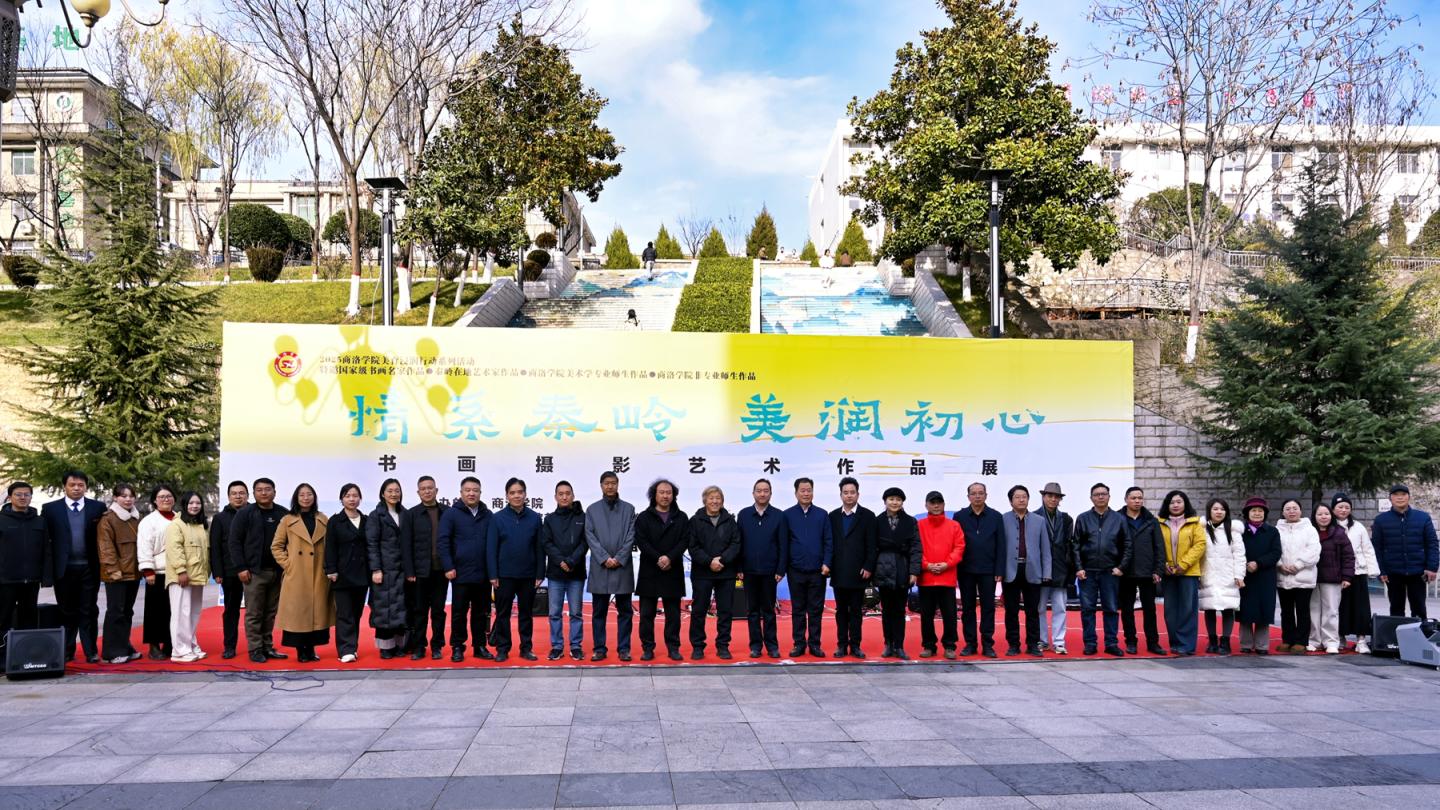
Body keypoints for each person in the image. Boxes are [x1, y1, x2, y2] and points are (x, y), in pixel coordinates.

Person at [42, 471, 104, 664]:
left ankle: (91, 651)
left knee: (88, 610)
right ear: (65, 487)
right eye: (72, 485)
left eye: (80, 485)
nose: (76, 488)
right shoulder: (50, 509)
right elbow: (46, 542)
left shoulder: (97, 507)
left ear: (86, 487)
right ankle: (68, 650)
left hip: (89, 568)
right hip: (63, 569)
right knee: (66, 611)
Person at [229, 477, 289, 663]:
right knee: (254, 613)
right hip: (254, 572)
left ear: (274, 492)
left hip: (277, 572)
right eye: (259, 490)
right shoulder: (245, 513)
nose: (264, 493)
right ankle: (255, 649)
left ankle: (267, 646)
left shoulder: (283, 514)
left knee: (270, 613)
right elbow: (234, 542)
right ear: (253, 493)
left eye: (268, 489)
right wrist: (241, 567)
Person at [272, 483, 331, 664]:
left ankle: (311, 649)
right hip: (297, 574)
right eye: (302, 495)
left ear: (314, 497)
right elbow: (276, 546)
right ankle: (301, 651)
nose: (306, 498)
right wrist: (288, 565)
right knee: (299, 615)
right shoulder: (287, 520)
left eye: (309, 494)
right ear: (296, 498)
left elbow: (330, 545)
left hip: (318, 573)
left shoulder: (323, 519)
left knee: (315, 614)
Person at [488, 478, 545, 662]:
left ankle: (526, 648)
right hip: (503, 576)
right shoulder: (497, 518)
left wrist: (540, 573)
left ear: (525, 494)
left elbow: (539, 548)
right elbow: (491, 548)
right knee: (503, 614)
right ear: (506, 496)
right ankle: (503, 649)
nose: (516, 496)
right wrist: (493, 574)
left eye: (520, 492)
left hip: (528, 575)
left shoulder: (535, 518)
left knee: (526, 614)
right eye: (512, 493)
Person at [586, 472, 635, 661]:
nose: (610, 486)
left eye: (613, 483)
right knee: (599, 612)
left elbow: (631, 536)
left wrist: (619, 557)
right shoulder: (592, 510)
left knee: (625, 612)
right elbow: (590, 536)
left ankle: (624, 649)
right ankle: (599, 648)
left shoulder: (629, 509)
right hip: (601, 567)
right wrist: (604, 558)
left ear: (618, 484)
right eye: (606, 483)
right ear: (601, 485)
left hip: (622, 567)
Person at [0, 481, 52, 662]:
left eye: (26, 494)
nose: (23, 498)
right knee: (3, 620)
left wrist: (46, 577)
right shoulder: (1, 520)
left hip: (31, 581)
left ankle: (25, 658)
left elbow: (46, 550)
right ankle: (2, 659)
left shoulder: (40, 521)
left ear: (31, 497)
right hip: (5, 580)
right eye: (18, 494)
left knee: (28, 620)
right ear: (10, 497)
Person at [1370, 484, 1439, 620]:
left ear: (1409, 497)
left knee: (1419, 608)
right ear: (1390, 498)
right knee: (1396, 609)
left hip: (1418, 571)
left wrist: (1432, 567)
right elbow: (1376, 548)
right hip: (1393, 572)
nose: (1400, 497)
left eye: (1403, 494)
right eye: (1396, 495)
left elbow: (1432, 543)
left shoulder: (1423, 517)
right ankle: (1397, 633)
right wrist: (1381, 571)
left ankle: (1420, 632)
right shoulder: (1380, 520)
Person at [635, 479, 686, 661]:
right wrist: (658, 558)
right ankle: (648, 648)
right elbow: (641, 541)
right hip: (650, 570)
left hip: (673, 570)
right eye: (662, 492)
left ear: (674, 495)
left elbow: (684, 541)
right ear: (654, 495)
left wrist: (669, 557)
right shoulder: (643, 517)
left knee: (673, 615)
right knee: (646, 614)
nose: (665, 496)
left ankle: (673, 647)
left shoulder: (681, 517)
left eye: (669, 492)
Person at [688, 485, 741, 660]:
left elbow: (736, 544)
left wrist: (722, 560)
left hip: (726, 573)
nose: (715, 501)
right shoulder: (695, 521)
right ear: (705, 501)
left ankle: (723, 645)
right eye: (711, 498)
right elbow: (693, 547)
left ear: (722, 501)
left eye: (718, 498)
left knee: (725, 611)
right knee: (699, 610)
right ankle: (698, 646)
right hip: (702, 573)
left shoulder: (730, 521)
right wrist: (709, 561)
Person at [1073, 483, 1125, 656]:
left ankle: (1111, 643)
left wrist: (1121, 567)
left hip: (1110, 571)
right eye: (1097, 494)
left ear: (1109, 496)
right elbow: (1076, 545)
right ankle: (1090, 643)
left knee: (1111, 608)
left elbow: (1127, 544)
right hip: (1087, 572)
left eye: (1104, 494)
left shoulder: (1118, 519)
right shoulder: (1083, 518)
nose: (1100, 497)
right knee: (1087, 609)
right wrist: (1078, 567)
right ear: (1091, 498)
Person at [828, 477, 877, 659]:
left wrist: (868, 566)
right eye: (845, 492)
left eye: (852, 492)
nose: (849, 496)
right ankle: (841, 645)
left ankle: (855, 645)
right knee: (841, 611)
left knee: (856, 611)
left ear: (858, 494)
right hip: (839, 571)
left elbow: (872, 545)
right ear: (840, 494)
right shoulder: (833, 516)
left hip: (859, 573)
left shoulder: (868, 516)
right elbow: (829, 544)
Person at [401, 476, 448, 661]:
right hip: (419, 572)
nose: (427, 491)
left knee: (438, 611)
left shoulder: (447, 512)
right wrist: (409, 571)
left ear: (437, 490)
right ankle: (419, 646)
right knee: (419, 611)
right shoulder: (411, 514)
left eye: (430, 488)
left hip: (441, 571)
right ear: (418, 492)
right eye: (423, 488)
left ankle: (437, 646)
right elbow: (406, 545)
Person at [783, 477, 832, 657]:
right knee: (798, 609)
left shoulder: (822, 514)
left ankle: (815, 644)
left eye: (809, 490)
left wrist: (827, 562)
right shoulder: (787, 515)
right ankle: (799, 644)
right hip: (795, 570)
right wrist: (784, 567)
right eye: (802, 490)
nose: (806, 493)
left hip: (818, 571)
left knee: (815, 610)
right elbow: (784, 543)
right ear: (796, 493)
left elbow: (828, 541)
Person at [1001, 484, 1051, 657]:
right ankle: (1013, 644)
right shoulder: (1003, 519)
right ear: (1010, 501)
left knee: (1033, 611)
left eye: (1024, 496)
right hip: (1010, 571)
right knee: (1011, 611)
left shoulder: (1039, 520)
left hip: (1033, 571)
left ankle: (1033, 644)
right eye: (1017, 497)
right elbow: (1000, 548)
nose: (1021, 500)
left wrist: (1047, 573)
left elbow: (1045, 549)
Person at [954, 482, 1004, 658]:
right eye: (974, 493)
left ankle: (988, 644)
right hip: (966, 569)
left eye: (981, 493)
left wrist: (999, 569)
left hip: (988, 569)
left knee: (988, 607)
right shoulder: (959, 516)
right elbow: (955, 543)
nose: (977, 496)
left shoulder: (996, 516)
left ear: (986, 495)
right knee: (968, 608)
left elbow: (1001, 545)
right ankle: (970, 643)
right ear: (968, 496)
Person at [737, 478, 784, 659]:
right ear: (753, 493)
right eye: (759, 490)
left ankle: (772, 646)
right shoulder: (744, 515)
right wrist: (739, 567)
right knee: (752, 611)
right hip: (748, 571)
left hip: (770, 572)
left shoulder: (779, 516)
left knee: (769, 610)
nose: (762, 494)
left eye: (766, 490)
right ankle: (755, 645)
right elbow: (738, 543)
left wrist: (780, 569)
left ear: (770, 493)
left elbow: (783, 545)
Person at [1116, 487, 1164, 656]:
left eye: (1140, 498)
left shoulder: (1151, 521)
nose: (1137, 501)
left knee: (1150, 610)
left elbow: (1159, 547)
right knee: (1127, 610)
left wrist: (1158, 569)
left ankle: (1153, 642)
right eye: (1133, 498)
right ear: (1126, 499)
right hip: (1125, 571)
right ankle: (1131, 641)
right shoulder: (1117, 518)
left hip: (1147, 571)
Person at [874, 487, 921, 660]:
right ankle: (888, 644)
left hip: (902, 567)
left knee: (900, 610)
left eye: (898, 499)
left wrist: (914, 571)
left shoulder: (910, 521)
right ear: (885, 501)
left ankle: (899, 646)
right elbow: (872, 548)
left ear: (902, 502)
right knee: (886, 609)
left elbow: (916, 548)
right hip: (883, 568)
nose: (894, 502)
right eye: (891, 499)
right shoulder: (877, 521)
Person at [541, 480, 585, 661]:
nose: (565, 497)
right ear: (555, 497)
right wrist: (561, 561)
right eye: (561, 494)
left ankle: (575, 646)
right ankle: (557, 646)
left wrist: (571, 561)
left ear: (573, 496)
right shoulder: (549, 519)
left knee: (576, 613)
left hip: (576, 572)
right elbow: (546, 543)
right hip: (556, 574)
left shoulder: (582, 517)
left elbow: (585, 542)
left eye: (568, 493)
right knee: (554, 613)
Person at [96, 484, 141, 664]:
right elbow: (105, 548)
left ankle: (125, 646)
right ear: (115, 498)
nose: (128, 499)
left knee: (127, 612)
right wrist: (113, 570)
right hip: (116, 574)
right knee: (116, 612)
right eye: (123, 496)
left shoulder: (136, 518)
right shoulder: (108, 519)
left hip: (134, 572)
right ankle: (112, 652)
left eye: (131, 496)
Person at [325, 483, 369, 663]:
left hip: (362, 574)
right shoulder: (335, 521)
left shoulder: (366, 520)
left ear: (360, 498)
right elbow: (330, 547)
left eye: (355, 495)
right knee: (344, 613)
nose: (352, 499)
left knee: (356, 613)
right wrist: (331, 569)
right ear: (341, 499)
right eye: (348, 496)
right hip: (341, 574)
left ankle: (353, 646)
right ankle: (345, 649)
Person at [164, 492, 211, 663]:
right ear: (184, 505)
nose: (194, 506)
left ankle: (190, 645)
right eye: (191, 503)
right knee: (180, 613)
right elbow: (174, 549)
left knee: (193, 613)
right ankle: (179, 651)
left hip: (197, 575)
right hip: (181, 577)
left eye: (198, 503)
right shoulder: (176, 524)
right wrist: (181, 571)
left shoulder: (201, 525)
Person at [917, 491, 965, 659]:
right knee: (926, 616)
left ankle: (950, 645)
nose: (936, 505)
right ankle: (929, 645)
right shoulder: (919, 525)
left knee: (950, 615)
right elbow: (915, 548)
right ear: (926, 505)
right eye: (932, 502)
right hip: (926, 578)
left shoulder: (954, 525)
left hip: (947, 577)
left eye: (939, 502)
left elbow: (959, 547)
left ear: (944, 505)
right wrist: (926, 565)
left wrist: (947, 564)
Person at [366, 478, 410, 659]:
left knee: (401, 607)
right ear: (383, 494)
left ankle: (400, 644)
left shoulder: (405, 514)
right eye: (390, 491)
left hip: (402, 569)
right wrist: (376, 569)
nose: (394, 494)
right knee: (383, 608)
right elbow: (371, 544)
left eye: (397, 491)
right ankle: (385, 646)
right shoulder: (376, 516)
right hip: (384, 570)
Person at [1158, 490, 1205, 656]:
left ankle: (1186, 645)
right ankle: (1175, 642)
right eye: (1172, 502)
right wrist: (1163, 565)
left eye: (1179, 502)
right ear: (1167, 505)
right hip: (1168, 572)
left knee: (1187, 609)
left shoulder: (1194, 523)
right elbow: (1157, 545)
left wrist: (1184, 564)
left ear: (1185, 504)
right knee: (1170, 610)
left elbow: (1200, 545)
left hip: (1188, 572)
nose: (1175, 505)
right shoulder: (1160, 523)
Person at [1199, 499, 1247, 655]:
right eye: (1215, 509)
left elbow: (1239, 555)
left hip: (1228, 575)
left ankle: (1225, 642)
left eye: (1222, 509)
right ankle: (1212, 641)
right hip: (1208, 574)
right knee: (1209, 608)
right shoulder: (1202, 529)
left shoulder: (1233, 531)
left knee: (1228, 608)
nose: (1219, 512)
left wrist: (1239, 575)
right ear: (1209, 511)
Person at [1332, 494, 1378, 653]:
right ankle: (1340, 637)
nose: (1343, 510)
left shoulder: (1358, 527)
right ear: (1333, 509)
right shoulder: (1329, 526)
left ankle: (1361, 640)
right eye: (1340, 507)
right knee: (1340, 607)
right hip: (1336, 573)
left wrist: (1372, 570)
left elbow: (1368, 549)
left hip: (1358, 572)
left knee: (1361, 607)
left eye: (1347, 507)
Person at [208, 481, 249, 659]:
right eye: (234, 493)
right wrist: (217, 572)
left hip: (254, 571)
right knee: (231, 611)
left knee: (257, 612)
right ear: (229, 496)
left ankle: (259, 647)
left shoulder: (254, 514)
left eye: (241, 493)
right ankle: (229, 646)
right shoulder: (220, 518)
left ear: (247, 495)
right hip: (230, 572)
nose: (238, 496)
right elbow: (215, 546)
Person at [1308, 503, 1355, 655]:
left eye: (1326, 514)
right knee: (1313, 610)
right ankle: (1313, 641)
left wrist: (1347, 576)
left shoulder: (1339, 533)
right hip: (1312, 578)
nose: (1323, 517)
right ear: (1314, 516)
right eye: (1320, 514)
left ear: (1331, 515)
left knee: (1331, 611)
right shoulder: (1309, 532)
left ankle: (1331, 641)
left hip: (1333, 579)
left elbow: (1348, 556)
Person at [1274, 498, 1320, 654]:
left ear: (1300, 511)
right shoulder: (1277, 529)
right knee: (1286, 611)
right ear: (1283, 512)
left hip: (1303, 576)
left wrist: (1298, 565)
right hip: (1283, 576)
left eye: (1295, 508)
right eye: (1288, 509)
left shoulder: (1309, 529)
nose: (1291, 511)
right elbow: (1274, 549)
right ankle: (1287, 639)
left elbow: (1314, 550)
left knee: (1302, 610)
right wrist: (1280, 564)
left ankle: (1301, 641)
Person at [137, 485, 177, 661]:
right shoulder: (149, 521)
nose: (166, 499)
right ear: (155, 500)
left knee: (172, 610)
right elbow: (144, 546)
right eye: (161, 497)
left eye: (169, 496)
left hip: (176, 571)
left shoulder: (179, 518)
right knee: (155, 611)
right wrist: (148, 570)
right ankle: (153, 646)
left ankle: (169, 643)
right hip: (158, 571)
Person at [1037, 483, 1077, 655]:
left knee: (1060, 607)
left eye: (1056, 497)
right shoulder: (1034, 516)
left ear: (1060, 499)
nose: (1053, 499)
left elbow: (1070, 546)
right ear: (1043, 497)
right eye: (1050, 496)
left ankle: (1059, 642)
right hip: (1040, 569)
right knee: (1039, 607)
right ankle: (1042, 640)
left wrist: (1071, 570)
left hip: (1061, 568)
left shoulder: (1067, 519)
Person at [1238, 498, 1282, 654]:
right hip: (1245, 575)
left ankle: (1262, 645)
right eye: (1253, 510)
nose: (1257, 513)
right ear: (1247, 513)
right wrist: (1245, 564)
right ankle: (1245, 644)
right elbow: (1235, 550)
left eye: (1260, 511)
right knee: (1245, 610)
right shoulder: (1240, 531)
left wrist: (1258, 563)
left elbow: (1276, 552)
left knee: (1264, 610)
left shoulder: (1272, 531)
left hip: (1265, 576)